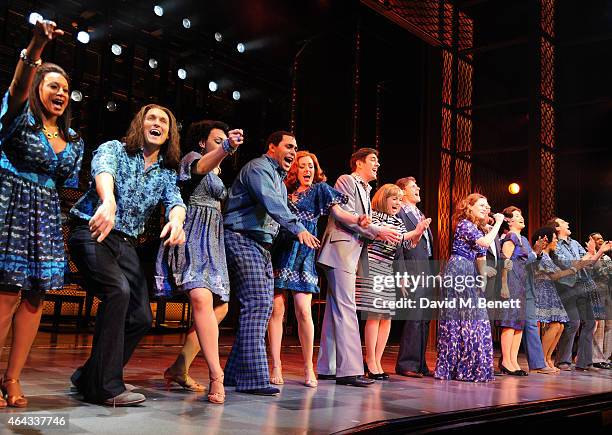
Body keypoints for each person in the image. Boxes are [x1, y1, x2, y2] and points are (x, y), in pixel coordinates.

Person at [69, 104, 186, 406]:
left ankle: (88, 376)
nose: (157, 123)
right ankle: (104, 388)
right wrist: (107, 201)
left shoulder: (166, 172)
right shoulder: (116, 149)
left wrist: (176, 219)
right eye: (151, 118)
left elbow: (175, 200)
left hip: (126, 244)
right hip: (93, 231)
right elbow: (103, 169)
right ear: (140, 124)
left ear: (169, 133)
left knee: (141, 316)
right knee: (117, 291)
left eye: (164, 120)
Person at [0, 20, 83, 408]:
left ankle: (12, 378)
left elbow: (68, 184)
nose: (61, 93)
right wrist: (35, 48)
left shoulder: (74, 140)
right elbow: (17, 87)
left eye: (66, 90)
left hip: (45, 216)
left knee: (34, 298)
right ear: (37, 86)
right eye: (54, 86)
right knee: (6, 295)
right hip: (11, 208)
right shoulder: (17, 118)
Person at [223, 131, 320, 396]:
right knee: (258, 304)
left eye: (296, 147)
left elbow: (280, 210)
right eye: (289, 146)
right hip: (242, 237)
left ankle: (233, 374)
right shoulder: (258, 168)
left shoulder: (277, 177)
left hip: (260, 243)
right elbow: (274, 205)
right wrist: (298, 228)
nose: (293, 151)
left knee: (260, 308)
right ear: (272, 147)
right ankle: (254, 378)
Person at [156, 120, 244, 403]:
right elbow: (200, 169)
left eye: (224, 141)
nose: (221, 145)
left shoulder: (217, 171)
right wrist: (227, 147)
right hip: (193, 232)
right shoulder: (194, 159)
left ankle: (179, 367)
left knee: (220, 306)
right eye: (216, 140)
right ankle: (215, 375)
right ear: (203, 143)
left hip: (214, 239)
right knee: (203, 300)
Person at [268, 151, 369, 388]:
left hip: (304, 254)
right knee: (277, 310)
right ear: (294, 170)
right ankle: (275, 365)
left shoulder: (320, 190)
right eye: (302, 166)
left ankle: (308, 367)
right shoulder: (285, 192)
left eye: (311, 167)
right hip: (282, 251)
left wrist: (357, 220)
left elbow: (338, 212)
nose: (307, 170)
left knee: (304, 311)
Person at [317, 148, 402, 387]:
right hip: (340, 248)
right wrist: (377, 230)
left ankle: (328, 366)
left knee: (336, 308)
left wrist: (378, 231)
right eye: (373, 160)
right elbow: (347, 216)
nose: (377, 164)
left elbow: (365, 223)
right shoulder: (347, 180)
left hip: (351, 252)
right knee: (346, 307)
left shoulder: (366, 189)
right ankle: (350, 370)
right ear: (358, 163)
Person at [434, 193, 503, 382]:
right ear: (469, 207)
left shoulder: (476, 228)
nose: (485, 207)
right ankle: (454, 366)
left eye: (487, 204)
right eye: (481, 204)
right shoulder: (465, 224)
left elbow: (481, 255)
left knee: (473, 318)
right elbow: (484, 244)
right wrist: (498, 223)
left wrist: (482, 280)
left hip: (469, 271)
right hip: (458, 269)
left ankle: (469, 367)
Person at [356, 184, 416, 379]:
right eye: (394, 199)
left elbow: (404, 243)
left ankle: (377, 361)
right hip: (372, 267)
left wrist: (418, 232)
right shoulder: (373, 216)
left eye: (400, 199)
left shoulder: (398, 221)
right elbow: (370, 237)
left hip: (388, 270)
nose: (398, 203)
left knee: (387, 317)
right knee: (374, 315)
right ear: (383, 198)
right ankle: (370, 360)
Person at [547, 217, 611, 371]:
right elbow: (570, 265)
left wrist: (598, 253)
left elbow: (589, 264)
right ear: (557, 228)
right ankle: (563, 360)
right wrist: (587, 257)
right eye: (563, 222)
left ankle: (585, 361)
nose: (568, 223)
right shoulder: (557, 246)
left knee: (590, 322)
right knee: (573, 323)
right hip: (567, 287)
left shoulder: (574, 243)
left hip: (584, 286)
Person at [393, 177, 433, 379]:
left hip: (425, 268)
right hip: (411, 268)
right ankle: (406, 363)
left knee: (424, 319)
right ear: (402, 191)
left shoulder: (420, 214)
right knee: (414, 317)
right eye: (412, 186)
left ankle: (420, 364)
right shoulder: (399, 212)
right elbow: (399, 244)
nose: (418, 188)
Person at [530, 227, 572, 373]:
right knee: (554, 325)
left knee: (559, 326)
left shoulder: (548, 256)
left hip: (551, 292)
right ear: (546, 239)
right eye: (554, 238)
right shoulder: (542, 256)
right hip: (542, 292)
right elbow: (556, 275)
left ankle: (548, 358)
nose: (556, 241)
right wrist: (575, 269)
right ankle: (540, 361)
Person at [497, 206, 529, 376]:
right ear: (509, 221)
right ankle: (506, 361)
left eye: (521, 214)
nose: (521, 217)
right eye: (517, 215)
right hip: (511, 281)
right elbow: (505, 262)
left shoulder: (522, 238)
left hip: (521, 283)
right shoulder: (510, 237)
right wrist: (503, 284)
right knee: (509, 322)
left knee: (519, 324)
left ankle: (514, 361)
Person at [589, 232, 612, 369]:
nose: (600, 240)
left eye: (601, 239)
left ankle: (607, 357)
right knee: (600, 325)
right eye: (596, 239)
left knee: (610, 326)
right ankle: (596, 358)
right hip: (596, 293)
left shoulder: (608, 258)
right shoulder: (591, 256)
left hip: (608, 293)